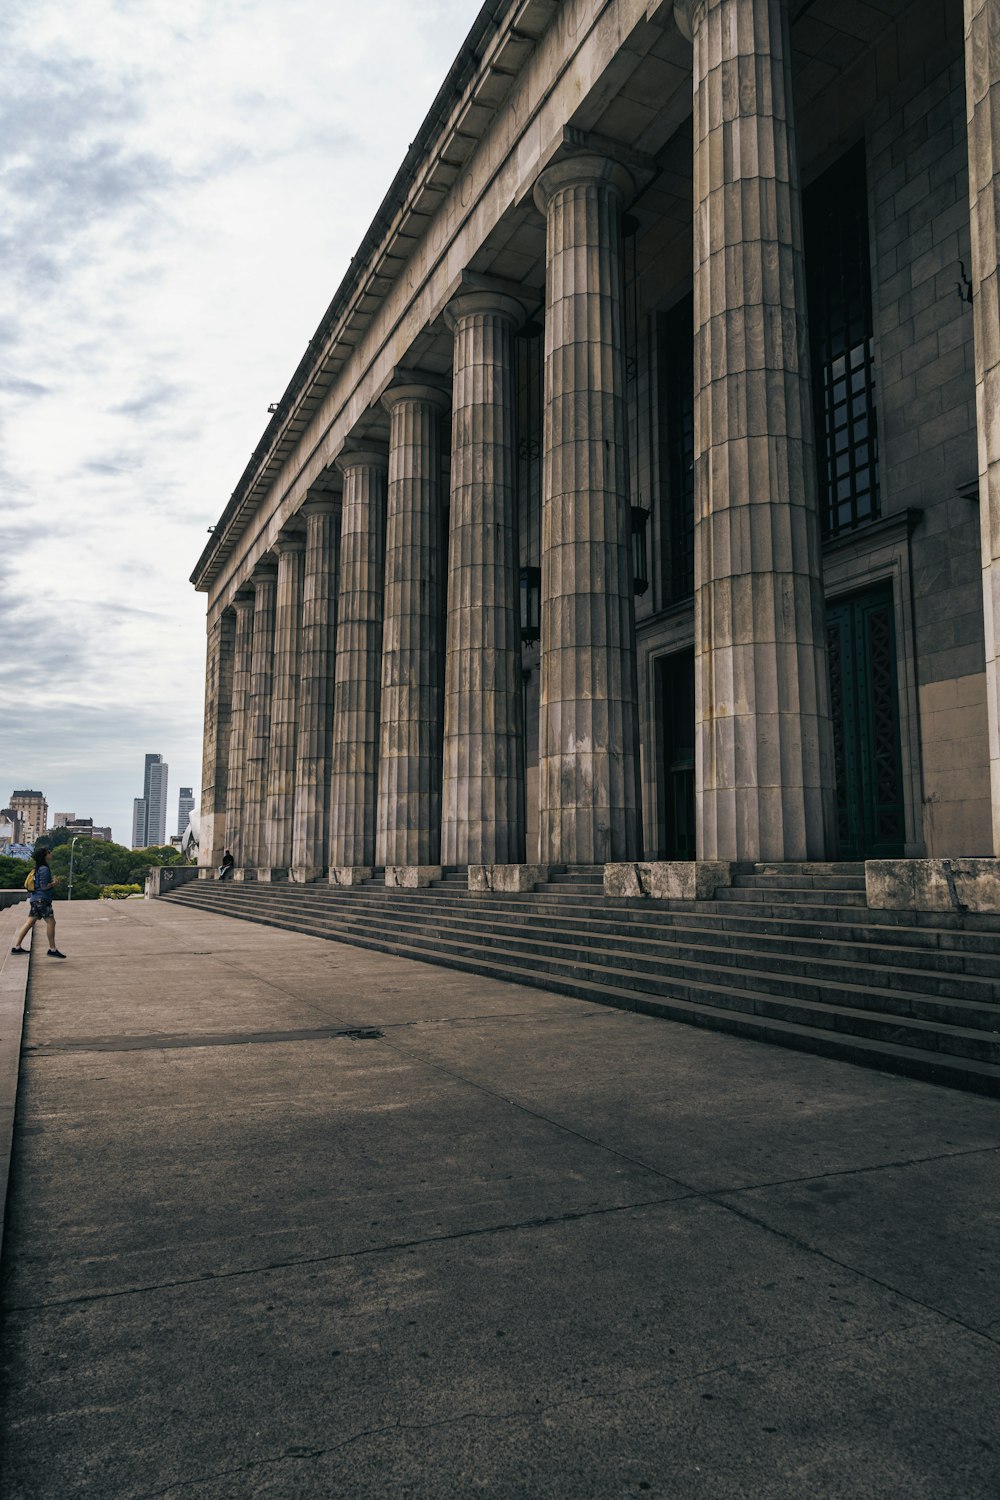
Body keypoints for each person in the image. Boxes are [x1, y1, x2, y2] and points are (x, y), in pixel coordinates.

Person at [11, 848, 66, 958]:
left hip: (35, 899)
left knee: (30, 922)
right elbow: (44, 886)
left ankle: (16, 946)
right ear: (45, 855)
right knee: (51, 922)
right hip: (42, 900)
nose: (51, 854)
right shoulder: (44, 869)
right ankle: (52, 948)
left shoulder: (38, 868)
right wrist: (54, 883)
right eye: (49, 852)